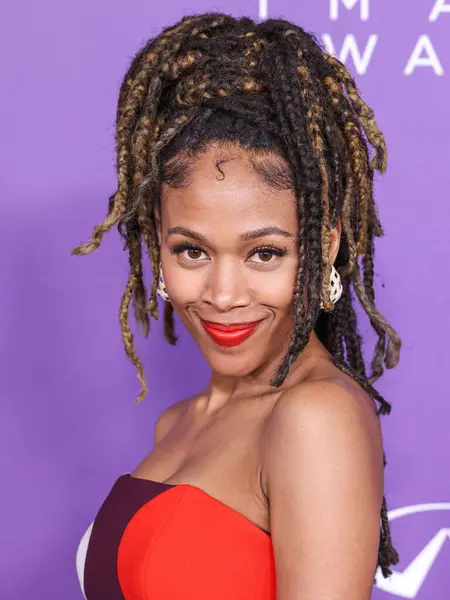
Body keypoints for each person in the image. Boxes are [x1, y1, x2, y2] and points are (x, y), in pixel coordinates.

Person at [73, 12, 402, 600]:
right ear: (156, 239)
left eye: (264, 254)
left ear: (323, 244)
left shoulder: (315, 419)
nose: (223, 295)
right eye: (192, 250)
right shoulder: (176, 424)